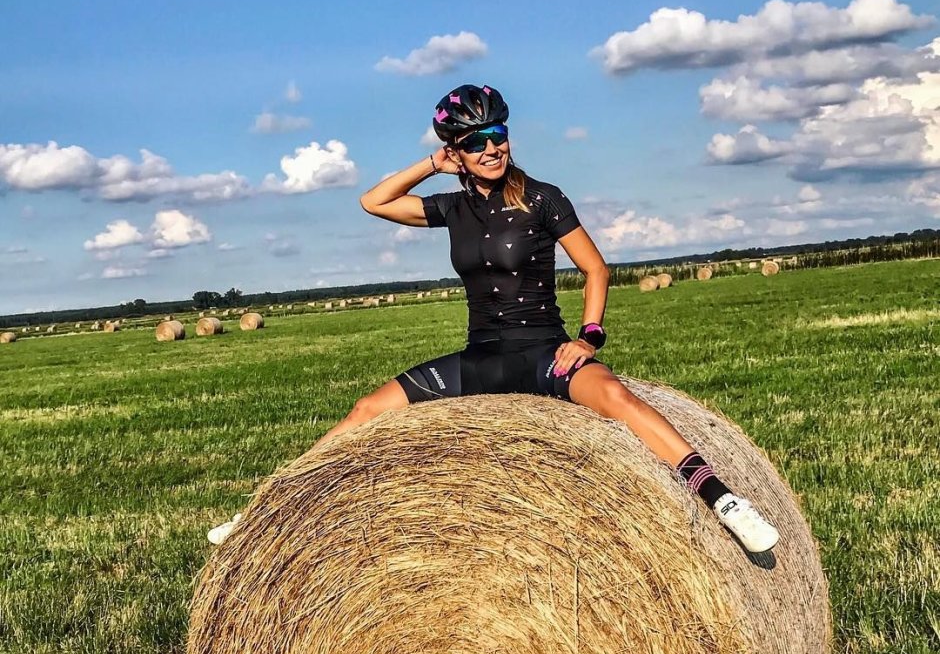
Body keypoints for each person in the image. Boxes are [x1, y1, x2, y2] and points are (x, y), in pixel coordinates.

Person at [210, 84, 778, 553]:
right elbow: (373, 201)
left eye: (498, 134)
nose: (491, 148)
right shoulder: (452, 207)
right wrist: (433, 164)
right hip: (479, 360)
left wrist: (589, 337)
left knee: (619, 400)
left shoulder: (542, 198)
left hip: (543, 355)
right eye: (475, 142)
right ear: (456, 152)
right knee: (365, 411)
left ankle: (724, 500)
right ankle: (266, 511)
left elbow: (595, 269)